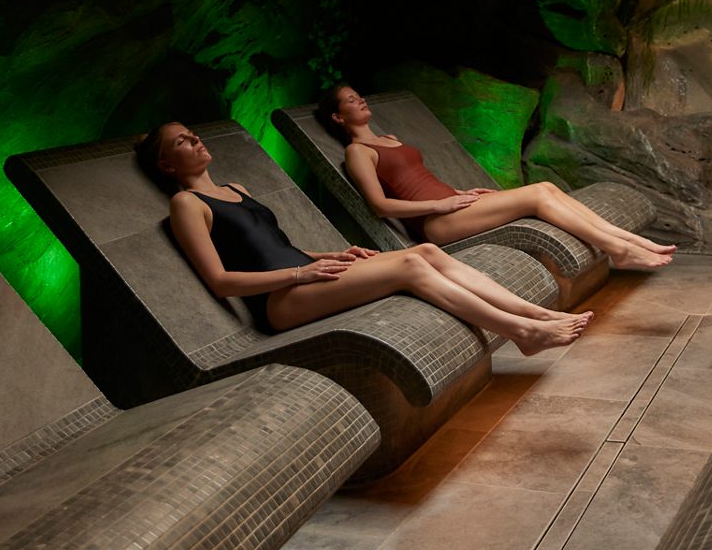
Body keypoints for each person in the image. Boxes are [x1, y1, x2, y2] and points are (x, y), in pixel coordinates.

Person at [135, 122, 593, 352]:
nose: (195, 140)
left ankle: (534, 313)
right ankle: (521, 332)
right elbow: (220, 280)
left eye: (192, 134)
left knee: (427, 250)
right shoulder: (187, 205)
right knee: (412, 265)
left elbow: (269, 247)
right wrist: (301, 272)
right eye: (181, 142)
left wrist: (330, 254)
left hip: (306, 276)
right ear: (166, 166)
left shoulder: (237, 189)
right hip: (280, 302)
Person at [318, 85, 676, 271]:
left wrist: (458, 192)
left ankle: (630, 241)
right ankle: (618, 251)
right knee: (537, 195)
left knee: (547, 187)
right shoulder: (357, 152)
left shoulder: (390, 140)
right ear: (338, 117)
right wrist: (440, 203)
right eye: (351, 100)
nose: (361, 100)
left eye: (359, 95)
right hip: (434, 222)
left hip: (452, 203)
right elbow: (380, 206)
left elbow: (417, 178)